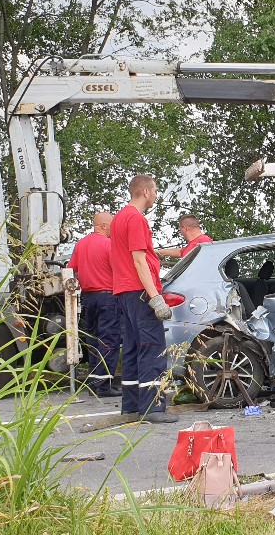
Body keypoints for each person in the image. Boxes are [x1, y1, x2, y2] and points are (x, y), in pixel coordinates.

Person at [109, 174, 179, 424]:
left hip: (124, 293)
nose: (156, 195)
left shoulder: (118, 218)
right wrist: (155, 297)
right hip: (140, 292)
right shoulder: (136, 219)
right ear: (146, 191)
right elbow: (139, 260)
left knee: (131, 349)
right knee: (152, 348)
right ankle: (153, 407)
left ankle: (131, 407)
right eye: (155, 190)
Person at [67, 211, 121, 397]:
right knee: (109, 340)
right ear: (104, 226)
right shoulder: (109, 244)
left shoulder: (81, 244)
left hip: (88, 298)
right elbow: (119, 268)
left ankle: (94, 383)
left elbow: (71, 270)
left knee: (93, 340)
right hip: (108, 297)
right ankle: (104, 385)